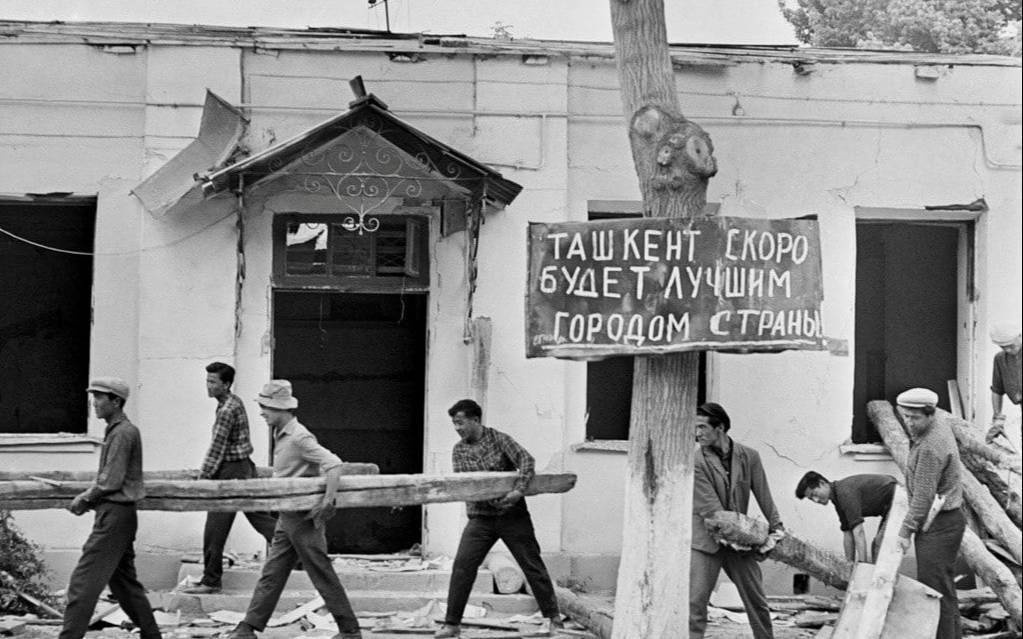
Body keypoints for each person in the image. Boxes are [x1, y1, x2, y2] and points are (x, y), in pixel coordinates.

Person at [227, 380, 361, 639]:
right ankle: (248, 627)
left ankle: (350, 630)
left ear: (280, 408)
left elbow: (334, 464)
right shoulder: (280, 434)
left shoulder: (299, 437)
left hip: (303, 519)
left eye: (266, 407)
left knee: (321, 572)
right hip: (286, 515)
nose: (262, 412)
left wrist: (328, 502)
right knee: (272, 573)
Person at [434, 399, 562, 638]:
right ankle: (452, 624)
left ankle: (553, 618)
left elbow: (526, 460)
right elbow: (464, 483)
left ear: (475, 420)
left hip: (512, 515)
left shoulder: (499, 439)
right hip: (480, 519)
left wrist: (517, 491)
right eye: (454, 424)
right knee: (462, 567)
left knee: (532, 565)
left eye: (461, 422)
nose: (457, 428)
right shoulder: (459, 450)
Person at [59, 377, 161, 639]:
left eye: (99, 397)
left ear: (116, 401)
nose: (94, 403)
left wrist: (85, 498)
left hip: (115, 516)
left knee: (82, 583)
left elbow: (111, 480)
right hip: (118, 515)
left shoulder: (123, 433)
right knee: (125, 585)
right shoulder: (118, 431)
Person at [180, 362, 277, 595]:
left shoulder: (226, 410)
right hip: (244, 467)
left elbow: (217, 447)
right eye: (207, 380)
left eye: (213, 382)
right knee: (260, 517)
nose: (208, 385)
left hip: (232, 470)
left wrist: (204, 476)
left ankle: (211, 580)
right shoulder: (233, 402)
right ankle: (298, 556)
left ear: (226, 384)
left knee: (215, 529)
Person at [690, 402, 783, 639]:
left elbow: (763, 494)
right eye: (696, 428)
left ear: (720, 427)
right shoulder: (696, 461)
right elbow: (713, 512)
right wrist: (750, 538)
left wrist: (777, 530)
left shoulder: (749, 456)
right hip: (707, 541)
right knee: (696, 604)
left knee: (757, 601)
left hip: (739, 540)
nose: (697, 433)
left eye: (702, 427)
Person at [895, 387, 965, 639]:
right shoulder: (937, 426)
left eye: (914, 417)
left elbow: (923, 497)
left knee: (933, 592)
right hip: (947, 521)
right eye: (905, 416)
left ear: (930, 413)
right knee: (944, 588)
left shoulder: (929, 447)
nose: (909, 422)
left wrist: (905, 531)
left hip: (938, 524)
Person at [795, 471, 897, 563]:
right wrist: (849, 564)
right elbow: (848, 533)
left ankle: (871, 575)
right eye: (811, 498)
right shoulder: (837, 498)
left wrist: (862, 565)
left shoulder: (844, 492)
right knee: (877, 546)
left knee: (880, 546)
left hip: (898, 499)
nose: (816, 500)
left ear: (822, 483)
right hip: (891, 506)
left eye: (814, 494)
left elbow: (859, 532)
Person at [987, 321, 1021, 450]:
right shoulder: (1000, 359)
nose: (1008, 350)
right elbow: (997, 389)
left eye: (1011, 346)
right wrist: (998, 418)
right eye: (1003, 347)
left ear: (1019, 336)